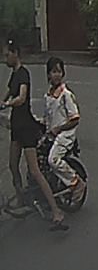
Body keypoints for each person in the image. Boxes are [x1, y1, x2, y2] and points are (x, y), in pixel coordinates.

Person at [3, 39, 65, 229]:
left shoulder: (23, 74)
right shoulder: (14, 75)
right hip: (16, 127)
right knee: (13, 165)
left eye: (7, 55)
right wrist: (2, 102)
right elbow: (8, 93)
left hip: (27, 128)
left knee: (34, 170)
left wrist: (7, 104)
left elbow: (21, 98)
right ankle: (21, 199)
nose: (5, 58)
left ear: (15, 53)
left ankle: (56, 211)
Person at [43, 57, 84, 206]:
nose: (56, 75)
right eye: (53, 71)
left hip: (65, 136)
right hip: (52, 134)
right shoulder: (48, 95)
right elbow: (47, 118)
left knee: (52, 160)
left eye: (59, 71)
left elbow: (75, 119)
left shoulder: (66, 95)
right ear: (48, 74)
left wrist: (59, 129)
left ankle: (75, 182)